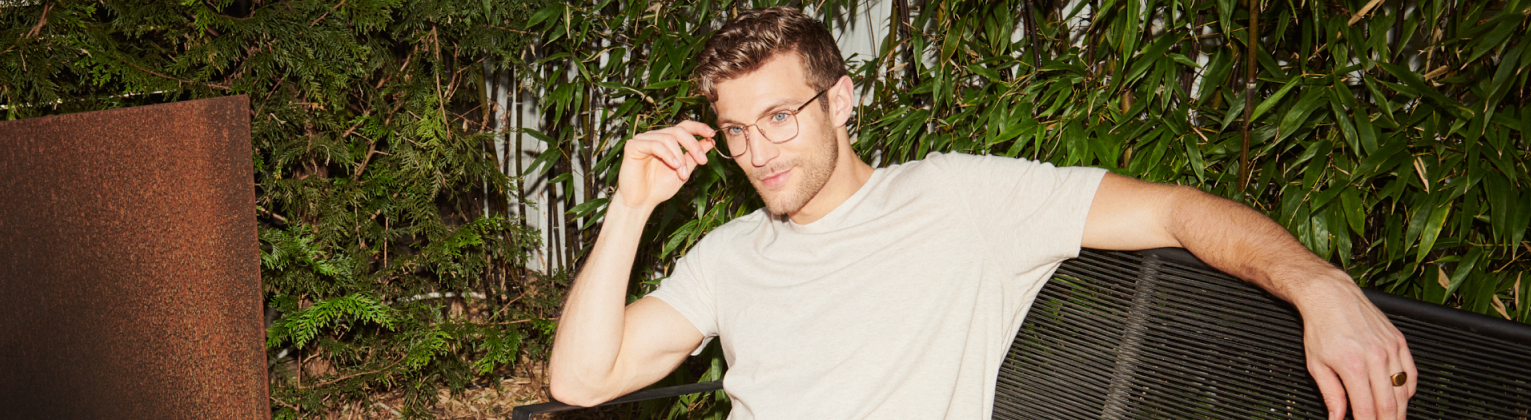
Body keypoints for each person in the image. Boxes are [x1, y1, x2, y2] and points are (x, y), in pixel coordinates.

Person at [545, 7, 1414, 420]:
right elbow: (579, 382)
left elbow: (1179, 211)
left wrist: (1321, 285)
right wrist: (628, 209)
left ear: (841, 102)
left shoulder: (960, 196)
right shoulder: (731, 254)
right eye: (737, 130)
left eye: (780, 117)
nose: (759, 151)